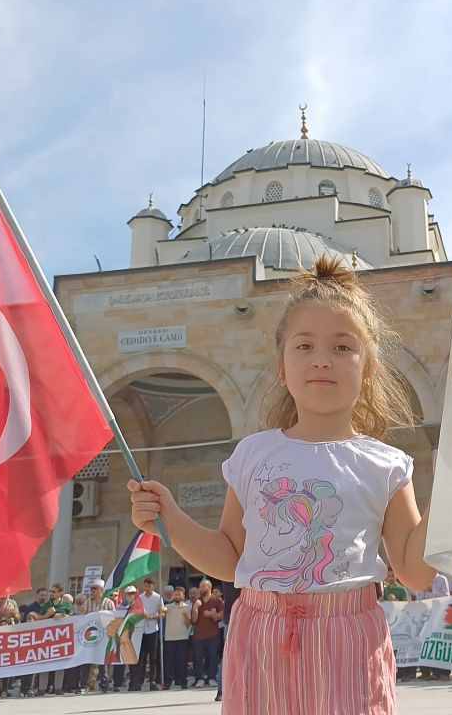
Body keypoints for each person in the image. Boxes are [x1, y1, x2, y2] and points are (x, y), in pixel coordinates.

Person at [130, 255, 434, 714]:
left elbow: (414, 570)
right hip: (262, 637)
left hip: (351, 639)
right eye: (305, 346)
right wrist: (169, 518)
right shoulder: (253, 455)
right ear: (281, 366)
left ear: (368, 367)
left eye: (342, 347)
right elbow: (230, 560)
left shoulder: (385, 464)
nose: (322, 361)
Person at [76, 580, 114, 693]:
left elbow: (114, 617)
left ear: (101, 590)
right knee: (87, 660)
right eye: (91, 589)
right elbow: (82, 619)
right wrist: (82, 612)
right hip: (90, 636)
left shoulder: (108, 603)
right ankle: (84, 684)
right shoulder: (87, 603)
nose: (92, 591)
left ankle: (104, 684)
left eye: (95, 589)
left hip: (103, 636)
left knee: (103, 661)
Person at [131, 578, 164, 691]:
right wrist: (141, 614)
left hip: (153, 629)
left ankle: (153, 681)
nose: (146, 588)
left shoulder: (157, 597)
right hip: (142, 630)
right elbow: (136, 611)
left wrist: (151, 617)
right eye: (145, 586)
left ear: (153, 586)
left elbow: (162, 613)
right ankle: (139, 682)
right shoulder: (140, 597)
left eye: (148, 586)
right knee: (142, 658)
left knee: (153, 657)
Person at [191, 579, 223, 687]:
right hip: (199, 635)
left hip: (213, 634)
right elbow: (194, 620)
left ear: (209, 587)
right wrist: (195, 608)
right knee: (198, 657)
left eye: (203, 586)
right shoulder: (197, 601)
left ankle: (212, 678)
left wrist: (212, 615)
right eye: (200, 586)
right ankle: (199, 678)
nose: (201, 589)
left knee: (213, 656)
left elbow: (222, 615)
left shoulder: (216, 600)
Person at [162, 587, 192, 690]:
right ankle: (167, 682)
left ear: (183, 596)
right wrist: (162, 609)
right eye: (176, 594)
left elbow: (189, 624)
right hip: (170, 638)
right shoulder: (168, 606)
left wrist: (185, 617)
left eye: (179, 594)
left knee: (182, 661)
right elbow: (163, 612)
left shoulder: (187, 607)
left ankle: (183, 681)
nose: (177, 596)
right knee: (168, 662)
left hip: (182, 637)